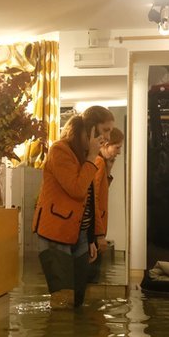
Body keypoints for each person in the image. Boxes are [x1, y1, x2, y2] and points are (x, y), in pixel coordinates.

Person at [33, 106, 115, 309]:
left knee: (78, 298)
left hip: (80, 234)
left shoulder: (92, 158)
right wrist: (91, 158)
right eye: (104, 130)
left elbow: (91, 199)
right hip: (56, 232)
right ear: (90, 129)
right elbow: (77, 190)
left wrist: (95, 236)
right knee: (63, 299)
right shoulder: (60, 150)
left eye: (109, 131)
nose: (107, 136)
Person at [90, 127, 124, 282]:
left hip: (96, 225)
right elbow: (94, 198)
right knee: (93, 274)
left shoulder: (101, 163)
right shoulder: (97, 162)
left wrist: (109, 169)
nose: (119, 152)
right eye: (117, 148)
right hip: (95, 227)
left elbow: (101, 191)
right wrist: (99, 234)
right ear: (106, 144)